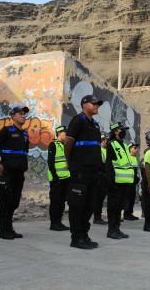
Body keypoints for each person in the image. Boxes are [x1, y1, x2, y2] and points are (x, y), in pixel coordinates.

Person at [64, 95, 103, 249]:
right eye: (93, 103)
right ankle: (76, 238)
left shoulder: (95, 124)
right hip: (80, 171)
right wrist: (70, 163)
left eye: (97, 103)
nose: (96, 106)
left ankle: (84, 235)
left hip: (93, 172)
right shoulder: (78, 120)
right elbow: (68, 143)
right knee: (77, 205)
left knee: (89, 206)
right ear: (84, 104)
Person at [0, 106, 30, 240]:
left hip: (19, 173)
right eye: (20, 113)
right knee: (6, 201)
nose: (23, 116)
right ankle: (3, 230)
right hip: (8, 172)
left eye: (24, 114)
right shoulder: (7, 130)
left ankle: (9, 228)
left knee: (14, 202)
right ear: (13, 116)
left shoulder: (25, 134)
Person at [105, 122, 134, 239]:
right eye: (122, 130)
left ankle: (117, 229)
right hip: (116, 182)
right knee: (113, 206)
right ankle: (111, 230)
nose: (124, 132)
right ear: (116, 131)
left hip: (124, 182)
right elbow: (109, 164)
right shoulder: (111, 144)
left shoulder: (124, 144)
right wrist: (111, 180)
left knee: (119, 206)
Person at [47, 126, 71, 231]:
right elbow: (50, 162)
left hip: (66, 179)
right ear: (59, 134)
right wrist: (55, 177)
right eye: (64, 133)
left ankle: (59, 222)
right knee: (55, 202)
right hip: (57, 179)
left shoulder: (65, 146)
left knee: (62, 202)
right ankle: (54, 223)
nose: (66, 135)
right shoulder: (53, 145)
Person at [93, 133, 108, 225]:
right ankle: (97, 217)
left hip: (105, 177)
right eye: (105, 140)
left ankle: (98, 217)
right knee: (98, 198)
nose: (106, 142)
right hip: (100, 177)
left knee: (101, 198)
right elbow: (100, 164)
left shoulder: (106, 150)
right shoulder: (98, 150)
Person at [124, 142, 140, 221]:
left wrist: (137, 177)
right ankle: (126, 214)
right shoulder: (128, 157)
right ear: (130, 148)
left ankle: (130, 213)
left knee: (132, 198)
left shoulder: (134, 158)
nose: (136, 149)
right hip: (128, 181)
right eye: (134, 148)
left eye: (136, 148)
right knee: (128, 198)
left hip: (133, 181)